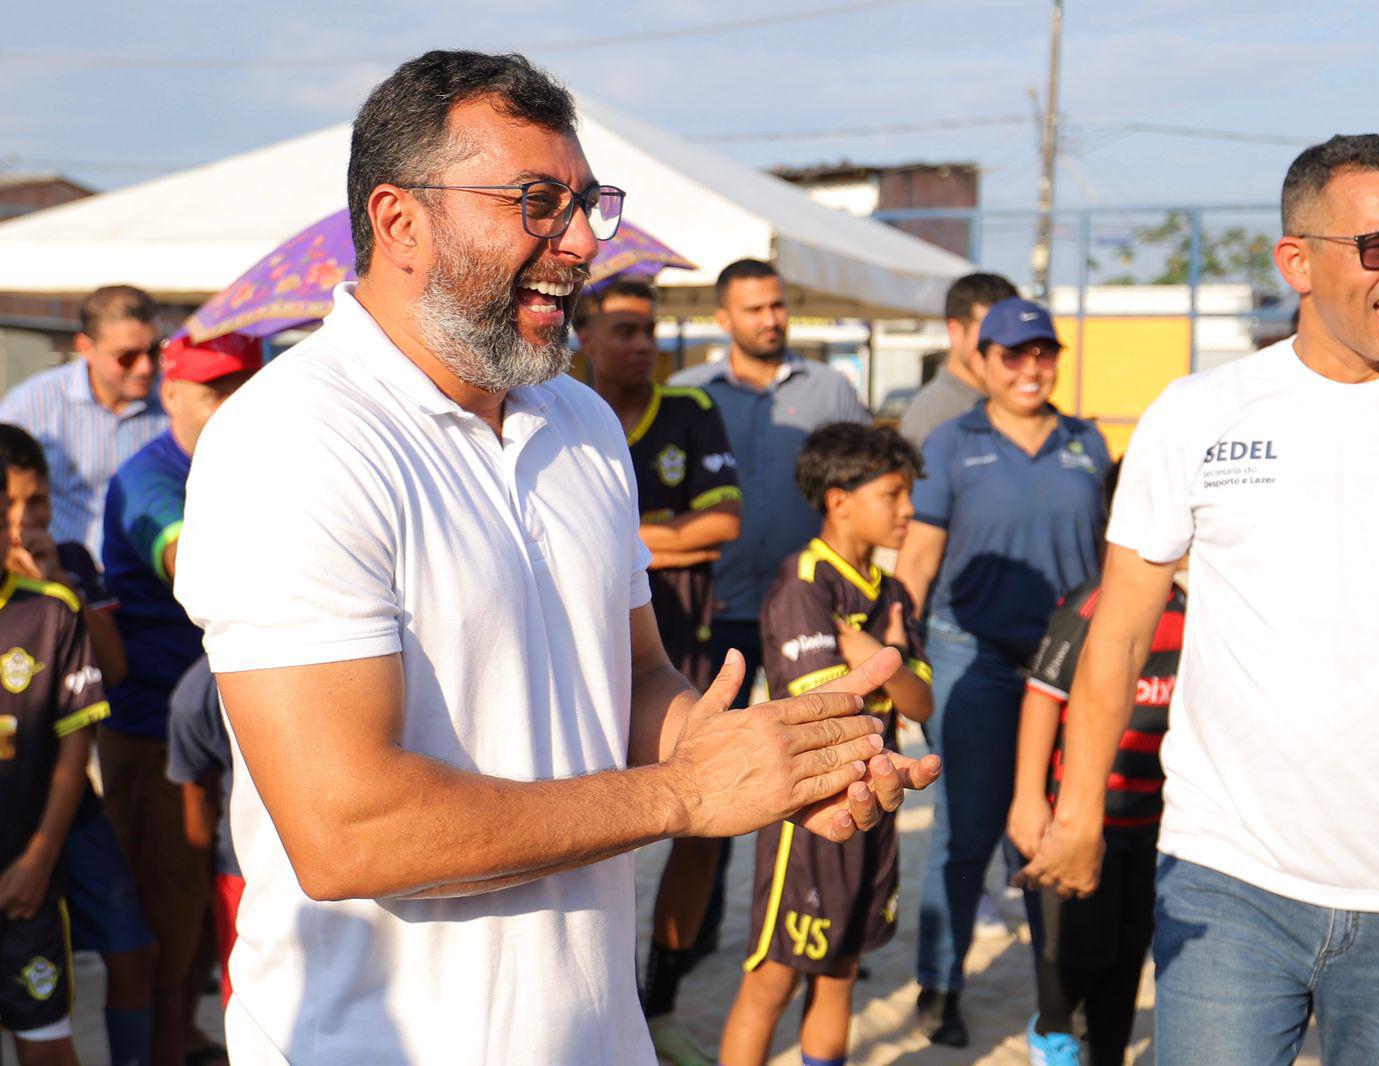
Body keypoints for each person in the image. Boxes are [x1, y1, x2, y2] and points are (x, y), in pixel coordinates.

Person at [171, 51, 937, 1066]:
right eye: (537, 202)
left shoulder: (578, 424)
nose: (579, 243)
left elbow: (635, 681)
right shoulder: (293, 439)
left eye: (586, 203)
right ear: (400, 221)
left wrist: (776, 761)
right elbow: (348, 828)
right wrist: (687, 796)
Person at [1018, 134, 1379, 1065]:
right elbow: (1118, 635)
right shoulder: (1197, 414)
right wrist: (1078, 812)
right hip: (1227, 885)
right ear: (1298, 261)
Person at [895, 296, 1111, 1047]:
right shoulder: (953, 443)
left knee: (1062, 824)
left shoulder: (1089, 444)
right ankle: (942, 985)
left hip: (1070, 666)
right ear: (981, 361)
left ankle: (1058, 997)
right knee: (968, 829)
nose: (1031, 367)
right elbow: (918, 557)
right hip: (972, 656)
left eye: (1043, 352)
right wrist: (901, 646)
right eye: (1013, 354)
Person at [668, 259, 873, 953]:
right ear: (723, 319)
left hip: (802, 613)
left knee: (818, 762)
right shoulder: (689, 395)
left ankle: (824, 913)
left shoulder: (832, 390)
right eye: (753, 309)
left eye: (777, 306)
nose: (770, 319)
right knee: (713, 769)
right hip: (715, 610)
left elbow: (863, 486)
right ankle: (696, 941)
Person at [720, 422, 933, 1066]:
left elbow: (922, 701)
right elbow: (822, 706)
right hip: (811, 812)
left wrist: (879, 659)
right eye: (893, 494)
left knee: (842, 967)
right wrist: (883, 675)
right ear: (840, 498)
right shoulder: (803, 583)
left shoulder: (890, 593)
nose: (909, 510)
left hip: (878, 805)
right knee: (773, 979)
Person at [575, 278, 741, 1059]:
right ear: (584, 338)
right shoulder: (556, 410)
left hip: (684, 651)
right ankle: (603, 1001)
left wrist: (620, 541)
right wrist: (670, 531)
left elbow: (725, 523)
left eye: (650, 330)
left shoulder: (692, 412)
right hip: (588, 654)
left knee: (699, 828)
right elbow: (689, 532)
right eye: (624, 330)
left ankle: (663, 1000)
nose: (642, 344)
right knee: (603, 822)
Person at [100, 332, 261, 1066]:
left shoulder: (259, 462)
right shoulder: (149, 478)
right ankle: (168, 1045)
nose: (232, 405)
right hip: (157, 729)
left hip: (243, 717)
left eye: (243, 385)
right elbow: (188, 561)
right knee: (175, 897)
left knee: (223, 891)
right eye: (214, 390)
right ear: (169, 394)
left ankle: (191, 1035)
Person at [0, 424, 157, 1066]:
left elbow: (111, 671)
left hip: (61, 808)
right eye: (8, 505)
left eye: (34, 502)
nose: (23, 521)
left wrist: (60, 580)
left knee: (130, 945)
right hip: (20, 799)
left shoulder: (68, 572)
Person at [1007, 546, 1187, 1066]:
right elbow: (1042, 695)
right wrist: (1028, 799)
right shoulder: (1093, 605)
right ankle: (1051, 1031)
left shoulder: (1189, 611)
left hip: (1155, 820)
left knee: (1130, 950)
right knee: (1079, 947)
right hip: (1086, 820)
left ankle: (1107, 1052)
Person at [0, 448, 111, 1066]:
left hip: (26, 880)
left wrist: (38, 860)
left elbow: (77, 749)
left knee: (46, 1047)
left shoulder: (49, 611)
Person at [0, 285, 170, 561]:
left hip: (149, 586)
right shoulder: (30, 404)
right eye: (127, 357)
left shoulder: (175, 401)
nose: (145, 367)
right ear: (85, 348)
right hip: (59, 576)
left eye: (154, 351)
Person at [163, 658, 239, 1007]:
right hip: (242, 868)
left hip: (240, 868)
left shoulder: (195, 692)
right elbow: (197, 797)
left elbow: (197, 796)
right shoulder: (195, 695)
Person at [897, 273, 1018, 448]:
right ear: (955, 331)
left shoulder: (1015, 402)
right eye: (990, 331)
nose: (1002, 344)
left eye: (1010, 331)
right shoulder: (931, 415)